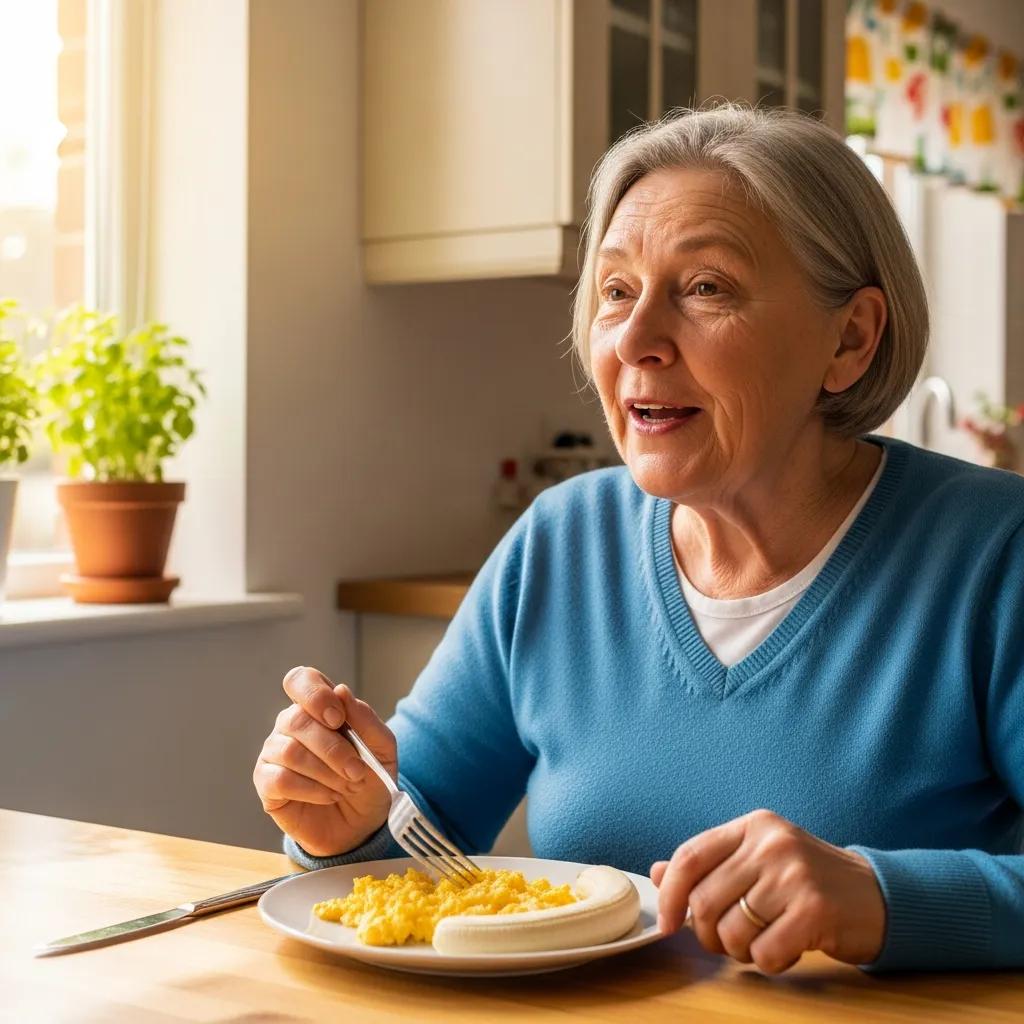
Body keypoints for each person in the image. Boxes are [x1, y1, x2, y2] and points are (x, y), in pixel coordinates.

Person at [253, 105, 1024, 974]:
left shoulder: (997, 554)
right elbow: (414, 844)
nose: (635, 340)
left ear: (848, 340)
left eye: (706, 289)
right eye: (616, 292)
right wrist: (341, 823)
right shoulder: (559, 542)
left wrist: (880, 897)